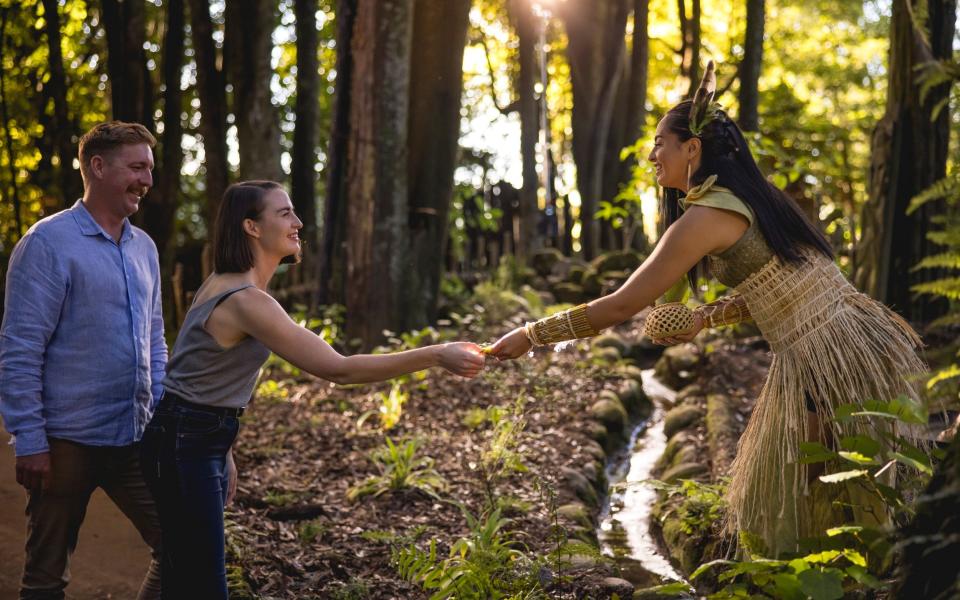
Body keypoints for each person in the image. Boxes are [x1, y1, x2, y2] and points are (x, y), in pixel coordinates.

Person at [489, 62, 927, 556]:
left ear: (691, 148)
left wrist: (532, 334)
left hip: (829, 356)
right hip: (842, 343)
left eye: (660, 143)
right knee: (829, 492)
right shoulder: (750, 199)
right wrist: (703, 317)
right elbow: (779, 287)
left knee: (825, 497)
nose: (653, 154)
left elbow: (623, 305)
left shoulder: (706, 216)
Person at [140, 180, 486, 599]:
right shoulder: (246, 300)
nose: (298, 222)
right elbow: (339, 370)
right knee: (202, 585)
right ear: (251, 226)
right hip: (185, 441)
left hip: (195, 436)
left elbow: (199, 374)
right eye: (284, 213)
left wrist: (224, 447)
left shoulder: (227, 284)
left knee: (182, 578)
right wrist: (436, 355)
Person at [0, 121, 165, 599]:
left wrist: (162, 415)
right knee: (45, 577)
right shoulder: (48, 243)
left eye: (149, 169)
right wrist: (29, 438)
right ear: (97, 166)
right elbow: (20, 347)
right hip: (64, 443)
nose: (147, 180)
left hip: (133, 438)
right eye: (137, 167)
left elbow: (155, 341)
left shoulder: (145, 248)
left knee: (182, 543)